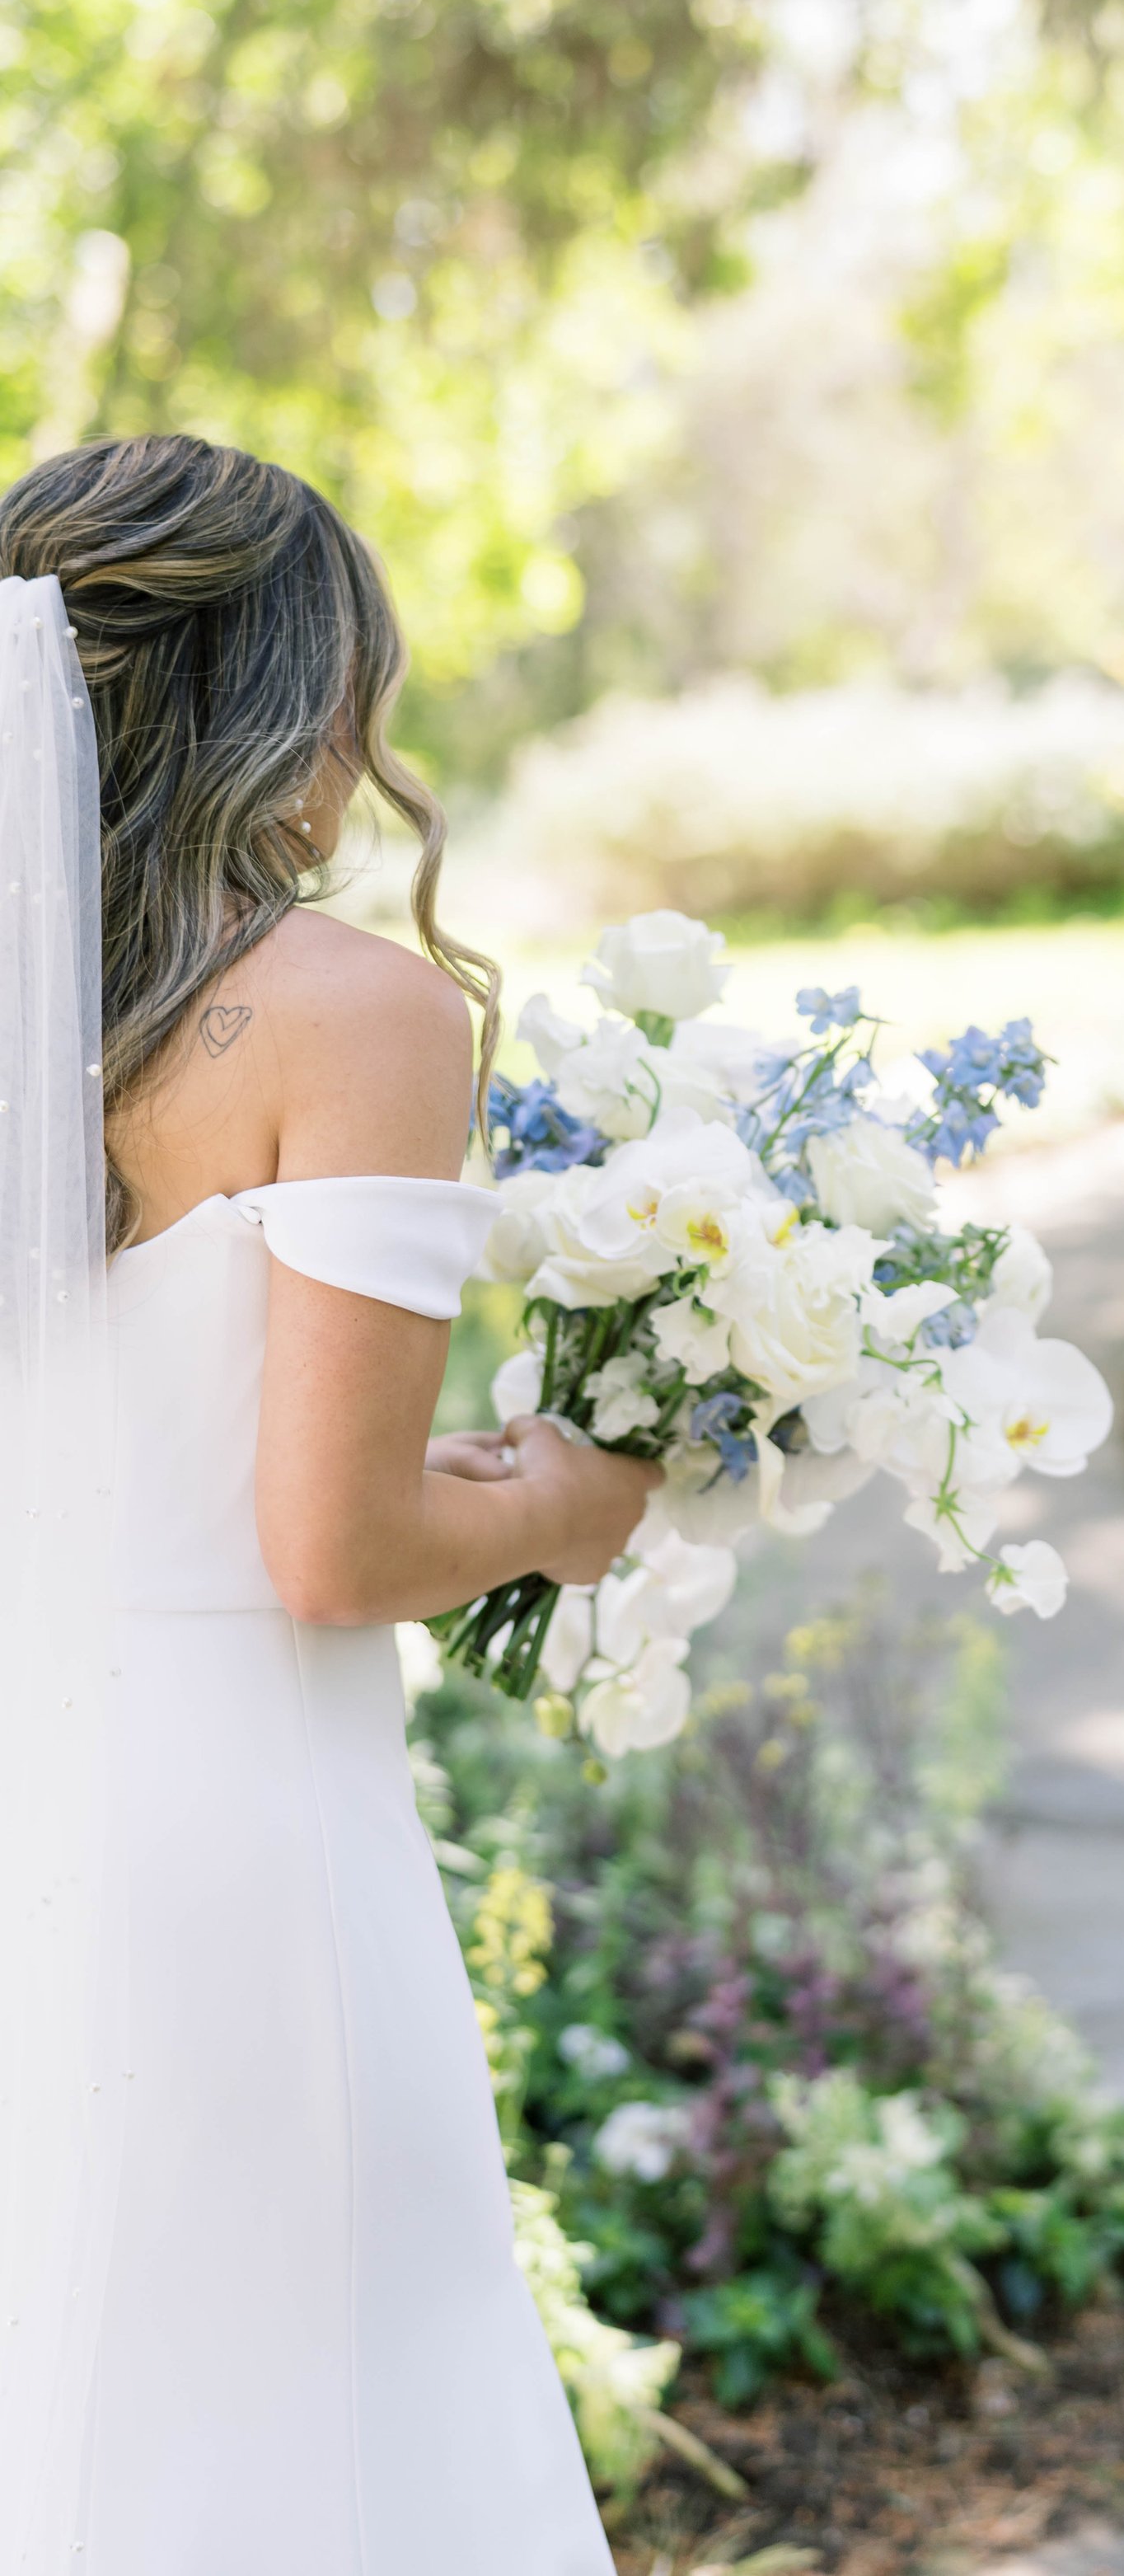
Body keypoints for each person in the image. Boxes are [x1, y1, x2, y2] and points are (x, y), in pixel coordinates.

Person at [0, 434, 659, 2568]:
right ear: (295, 693)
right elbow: (331, 1547)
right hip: (230, 1836)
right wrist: (563, 1496)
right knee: (310, 2438)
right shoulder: (348, 1009)